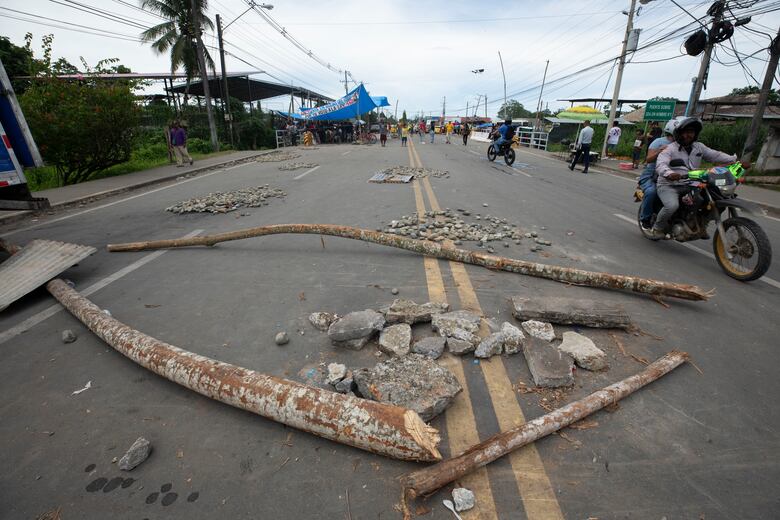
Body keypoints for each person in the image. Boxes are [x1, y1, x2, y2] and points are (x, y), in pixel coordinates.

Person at [651, 117, 745, 239]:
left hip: (691, 183)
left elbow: (715, 155)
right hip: (669, 185)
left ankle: (701, 225)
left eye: (691, 132)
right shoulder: (670, 149)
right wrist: (669, 173)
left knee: (715, 199)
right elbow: (661, 164)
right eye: (684, 132)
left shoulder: (699, 147)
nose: (688, 135)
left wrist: (735, 160)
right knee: (672, 206)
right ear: (678, 133)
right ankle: (658, 228)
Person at [637, 118, 678, 230]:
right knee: (651, 192)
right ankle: (645, 218)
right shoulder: (658, 142)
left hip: (675, 176)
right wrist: (659, 151)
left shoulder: (684, 145)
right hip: (653, 174)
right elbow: (648, 159)